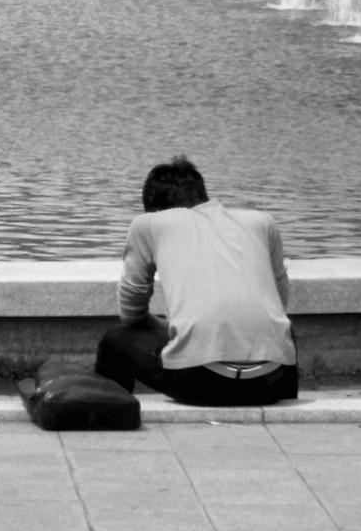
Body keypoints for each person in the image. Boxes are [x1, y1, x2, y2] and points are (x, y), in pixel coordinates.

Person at [95, 156, 298, 407]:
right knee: (280, 328)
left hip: (202, 384)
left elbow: (131, 312)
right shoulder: (262, 222)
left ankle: (109, 411)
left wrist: (166, 327)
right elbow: (279, 302)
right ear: (202, 195)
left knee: (115, 339)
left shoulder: (149, 224)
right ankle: (287, 411)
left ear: (153, 208)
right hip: (270, 383)